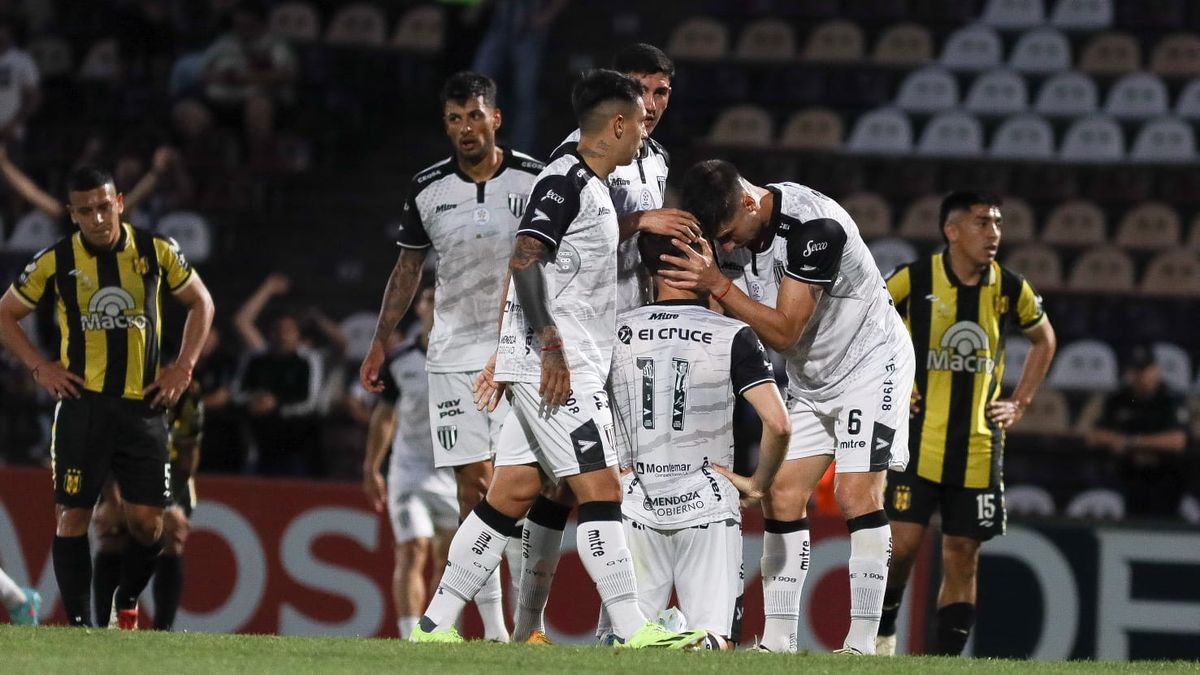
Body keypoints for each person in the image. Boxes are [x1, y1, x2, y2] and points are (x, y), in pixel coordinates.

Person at [412, 68, 702, 649]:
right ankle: (632, 629)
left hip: (557, 364)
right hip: (557, 371)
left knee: (511, 494)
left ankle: (433, 627)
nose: (646, 133)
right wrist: (545, 346)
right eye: (640, 123)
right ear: (617, 125)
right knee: (602, 491)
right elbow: (523, 259)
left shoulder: (592, 188)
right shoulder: (563, 180)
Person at [671, 160, 915, 654]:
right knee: (782, 495)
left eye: (729, 235)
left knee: (854, 494)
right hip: (813, 377)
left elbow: (784, 332)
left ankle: (862, 647)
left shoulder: (813, 229)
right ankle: (778, 643)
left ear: (748, 201)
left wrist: (717, 284)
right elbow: (730, 306)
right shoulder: (734, 229)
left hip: (871, 365)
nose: (730, 247)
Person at [514, 42, 701, 645]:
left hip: (628, 331)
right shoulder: (577, 157)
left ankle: (578, 627)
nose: (652, 104)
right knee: (575, 482)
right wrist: (641, 222)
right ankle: (585, 625)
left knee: (572, 482)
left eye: (662, 92)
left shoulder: (657, 159)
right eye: (641, 90)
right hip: (579, 335)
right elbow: (549, 244)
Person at [358, 71, 543, 642]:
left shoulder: (535, 178)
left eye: (474, 116)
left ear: (496, 118)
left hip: (519, 350)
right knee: (474, 489)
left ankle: (524, 619)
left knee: (521, 486)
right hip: (452, 355)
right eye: (454, 120)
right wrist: (381, 338)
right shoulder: (428, 188)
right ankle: (493, 629)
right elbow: (408, 268)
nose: (465, 129)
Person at [0, 166, 215, 628]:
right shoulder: (55, 261)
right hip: (83, 406)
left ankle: (128, 596)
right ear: (72, 215)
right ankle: (79, 626)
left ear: (118, 203)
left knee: (149, 525)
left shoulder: (155, 250)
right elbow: (5, 314)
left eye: (104, 206)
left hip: (143, 408)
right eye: (86, 211)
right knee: (73, 518)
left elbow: (202, 302)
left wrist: (183, 367)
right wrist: (40, 367)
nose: (97, 218)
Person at [875, 191, 1057, 656]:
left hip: (978, 446)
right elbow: (869, 318)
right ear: (951, 231)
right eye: (981, 223)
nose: (993, 233)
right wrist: (891, 377)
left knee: (962, 557)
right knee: (902, 549)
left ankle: (943, 663)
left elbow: (1044, 339)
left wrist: (1021, 402)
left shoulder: (1010, 287)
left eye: (997, 223)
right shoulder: (915, 278)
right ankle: (883, 629)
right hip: (918, 438)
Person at [606, 231, 790, 647]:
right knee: (716, 639)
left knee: (625, 646)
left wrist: (607, 472)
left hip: (633, 497)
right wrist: (757, 484)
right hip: (706, 500)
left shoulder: (614, 332)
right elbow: (779, 424)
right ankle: (700, 644)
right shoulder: (732, 334)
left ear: (649, 269)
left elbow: (581, 405)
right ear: (697, 262)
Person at [362, 284, 457, 639]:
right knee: (413, 548)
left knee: (449, 560)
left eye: (440, 298)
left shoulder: (466, 358)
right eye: (429, 298)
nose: (435, 305)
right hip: (410, 470)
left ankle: (436, 633)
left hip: (454, 471)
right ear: (419, 307)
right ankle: (408, 637)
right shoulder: (400, 361)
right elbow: (385, 417)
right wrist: (372, 467)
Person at [93, 384, 202, 630]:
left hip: (169, 477)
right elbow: (103, 446)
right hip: (121, 471)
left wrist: (169, 503)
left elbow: (187, 456)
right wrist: (113, 499)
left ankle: (163, 629)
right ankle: (106, 624)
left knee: (171, 530)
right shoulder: (121, 384)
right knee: (110, 525)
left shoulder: (187, 395)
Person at [1087, 345, 1189, 519]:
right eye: (1135, 370)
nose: (1140, 376)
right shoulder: (1118, 399)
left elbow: (1178, 441)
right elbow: (1094, 436)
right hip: (1129, 478)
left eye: (1144, 370)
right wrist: (1120, 441)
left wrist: (1131, 442)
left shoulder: (1170, 398)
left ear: (1156, 370)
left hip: (1165, 479)